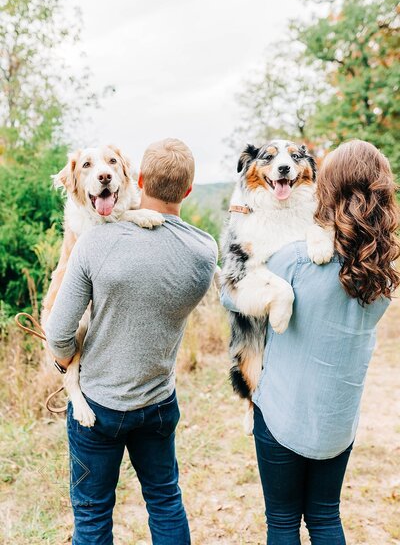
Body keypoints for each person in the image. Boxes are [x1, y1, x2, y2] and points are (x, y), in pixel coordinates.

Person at [221, 139, 400, 544]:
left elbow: (229, 290)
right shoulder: (383, 267)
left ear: (327, 185)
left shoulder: (295, 258)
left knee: (283, 521)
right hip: (338, 417)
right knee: (324, 518)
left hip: (283, 412)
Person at [45, 138, 218, 545]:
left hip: (99, 406)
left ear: (133, 177)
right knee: (164, 500)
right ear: (190, 190)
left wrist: (64, 361)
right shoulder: (204, 249)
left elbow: (57, 332)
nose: (102, 174)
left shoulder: (93, 244)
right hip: (159, 402)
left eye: (110, 167)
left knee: (91, 515)